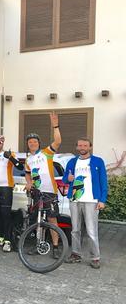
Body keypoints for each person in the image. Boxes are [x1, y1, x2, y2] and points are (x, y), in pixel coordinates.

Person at [63, 138, 108, 269]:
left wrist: (102, 200)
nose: (82, 147)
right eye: (80, 145)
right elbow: (65, 179)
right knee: (75, 229)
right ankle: (76, 254)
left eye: (85, 145)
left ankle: (95, 257)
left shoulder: (98, 161)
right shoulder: (72, 162)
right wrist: (68, 178)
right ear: (77, 147)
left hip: (91, 200)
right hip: (75, 200)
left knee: (91, 230)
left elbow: (103, 181)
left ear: (90, 147)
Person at [24, 112, 63, 259]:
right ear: (27, 144)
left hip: (49, 192)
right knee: (38, 220)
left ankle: (55, 247)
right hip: (37, 192)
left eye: (35, 141)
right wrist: (29, 182)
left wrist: (55, 126)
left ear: (38, 143)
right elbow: (27, 173)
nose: (32, 143)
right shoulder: (28, 159)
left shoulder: (46, 153)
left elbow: (58, 141)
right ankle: (38, 245)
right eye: (30, 142)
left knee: (52, 220)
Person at [0, 134, 24, 252]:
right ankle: (0, 238)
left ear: (2, 143)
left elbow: (20, 167)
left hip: (6, 187)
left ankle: (8, 241)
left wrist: (10, 157)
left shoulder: (8, 154)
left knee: (5, 214)